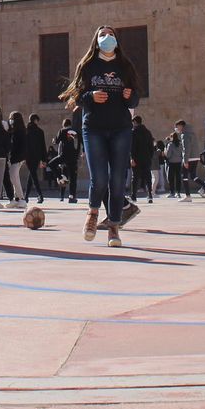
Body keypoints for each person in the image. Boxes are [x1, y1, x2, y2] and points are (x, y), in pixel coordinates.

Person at [60, 25, 140, 247]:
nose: (107, 37)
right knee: (100, 177)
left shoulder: (125, 66)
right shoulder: (87, 65)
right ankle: (93, 213)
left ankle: (114, 226)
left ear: (117, 40)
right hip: (94, 127)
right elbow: (77, 96)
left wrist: (130, 96)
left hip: (121, 128)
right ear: (96, 40)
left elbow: (135, 98)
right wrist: (91, 96)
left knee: (117, 179)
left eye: (110, 34)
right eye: (102, 35)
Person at [130, 115, 155, 203]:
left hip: (137, 158)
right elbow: (151, 147)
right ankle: (150, 195)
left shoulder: (134, 132)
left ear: (135, 122)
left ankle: (133, 196)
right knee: (148, 177)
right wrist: (150, 157)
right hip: (147, 158)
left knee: (135, 177)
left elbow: (132, 147)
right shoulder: (148, 132)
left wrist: (132, 158)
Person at [23, 114, 47, 203]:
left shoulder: (26, 130)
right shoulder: (40, 131)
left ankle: (26, 196)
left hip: (28, 156)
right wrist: (44, 159)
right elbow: (43, 146)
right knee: (33, 175)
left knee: (32, 175)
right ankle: (40, 195)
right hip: (37, 156)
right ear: (36, 120)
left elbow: (24, 145)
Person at [6, 109, 28, 208]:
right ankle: (17, 199)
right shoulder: (17, 131)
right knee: (14, 177)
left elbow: (17, 146)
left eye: (11, 119)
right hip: (16, 157)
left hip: (17, 158)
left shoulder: (19, 132)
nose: (10, 120)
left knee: (13, 177)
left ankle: (21, 198)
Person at [166, 121, 191, 202]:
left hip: (172, 163)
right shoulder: (180, 144)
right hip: (179, 162)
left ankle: (172, 192)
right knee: (178, 178)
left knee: (171, 178)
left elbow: (168, 155)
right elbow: (182, 152)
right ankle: (178, 192)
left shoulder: (170, 145)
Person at [55, 126, 80, 202]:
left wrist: (60, 163)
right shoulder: (74, 140)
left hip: (64, 162)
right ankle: (71, 196)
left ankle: (62, 196)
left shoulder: (62, 141)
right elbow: (77, 149)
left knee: (64, 178)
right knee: (72, 179)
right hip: (72, 161)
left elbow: (59, 152)